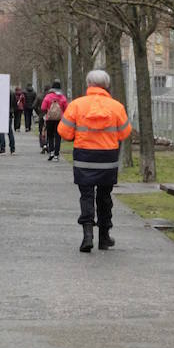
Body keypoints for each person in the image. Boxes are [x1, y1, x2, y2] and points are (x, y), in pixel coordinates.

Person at [57, 69, 132, 252]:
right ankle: (104, 237)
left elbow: (64, 132)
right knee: (105, 197)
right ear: (107, 85)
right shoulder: (116, 107)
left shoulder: (76, 105)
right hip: (108, 158)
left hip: (84, 158)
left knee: (87, 196)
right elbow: (125, 132)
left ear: (89, 84)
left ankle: (87, 234)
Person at [41, 82, 67, 161]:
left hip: (50, 119)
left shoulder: (48, 96)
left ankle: (51, 152)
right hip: (59, 119)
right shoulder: (62, 97)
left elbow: (43, 107)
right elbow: (66, 108)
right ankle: (56, 154)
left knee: (50, 136)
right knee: (58, 136)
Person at [0, 84, 16, 154]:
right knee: (9, 131)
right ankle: (12, 149)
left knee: (1, 131)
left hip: (1, 113)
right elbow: (15, 104)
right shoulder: (12, 93)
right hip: (9, 113)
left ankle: (2, 148)